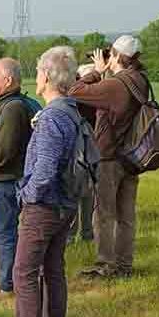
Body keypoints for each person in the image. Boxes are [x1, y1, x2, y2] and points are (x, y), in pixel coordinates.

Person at [0, 47, 80, 317]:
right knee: (53, 270)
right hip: (66, 204)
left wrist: (25, 196)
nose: (37, 77)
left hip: (44, 206)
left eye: (40, 72)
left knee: (24, 273)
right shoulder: (71, 111)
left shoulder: (53, 117)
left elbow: (44, 170)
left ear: (45, 77)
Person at [68, 35, 148, 279]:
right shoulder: (140, 80)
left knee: (104, 214)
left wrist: (96, 72)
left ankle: (106, 264)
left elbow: (74, 91)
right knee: (126, 215)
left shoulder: (115, 85)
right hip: (132, 156)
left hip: (109, 157)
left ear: (115, 56)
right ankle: (125, 264)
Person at [0, 58, 41, 295]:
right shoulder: (22, 103)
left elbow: (4, 152)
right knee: (18, 234)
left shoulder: (13, 108)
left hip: (5, 181)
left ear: (9, 79)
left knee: (5, 236)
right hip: (17, 178)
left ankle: (8, 285)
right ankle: (22, 279)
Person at [68, 64, 98, 244]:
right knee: (88, 191)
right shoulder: (97, 94)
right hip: (93, 145)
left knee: (74, 189)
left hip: (79, 145)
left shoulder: (77, 95)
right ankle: (87, 232)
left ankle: (71, 234)